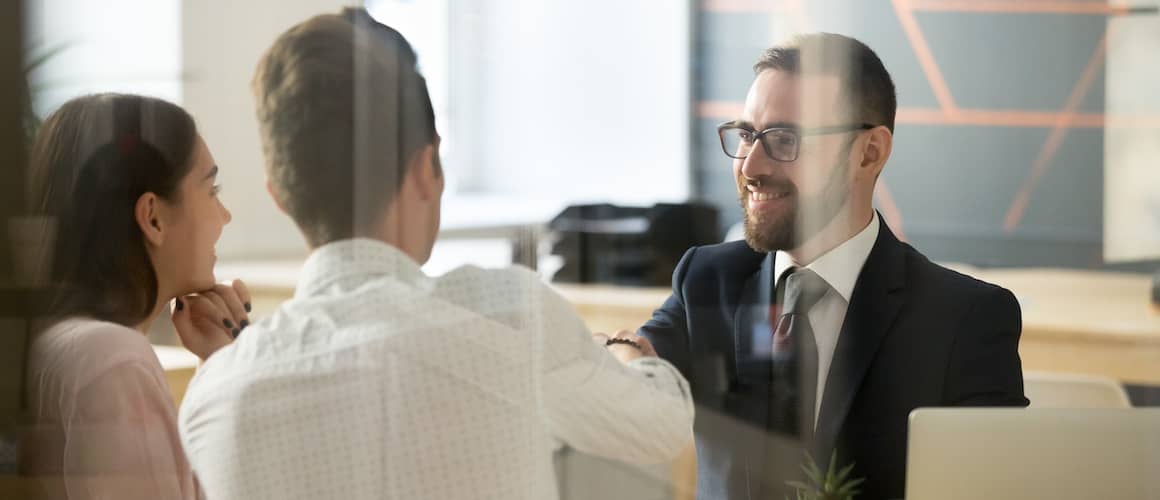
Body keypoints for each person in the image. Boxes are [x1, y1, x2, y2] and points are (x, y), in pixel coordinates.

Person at [177, 8, 694, 500]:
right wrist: (626, 353)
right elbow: (661, 427)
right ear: (427, 167)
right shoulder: (510, 316)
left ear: (280, 195)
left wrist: (228, 360)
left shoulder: (214, 396)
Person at [633, 33, 1028, 500]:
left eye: (784, 138)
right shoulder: (707, 280)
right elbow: (632, 371)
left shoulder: (965, 319)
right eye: (745, 135)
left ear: (869, 153)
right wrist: (625, 352)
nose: (750, 165)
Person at [22, 93, 251, 499]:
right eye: (211, 189)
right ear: (153, 217)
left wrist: (216, 367)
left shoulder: (57, 342)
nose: (225, 216)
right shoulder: (112, 358)